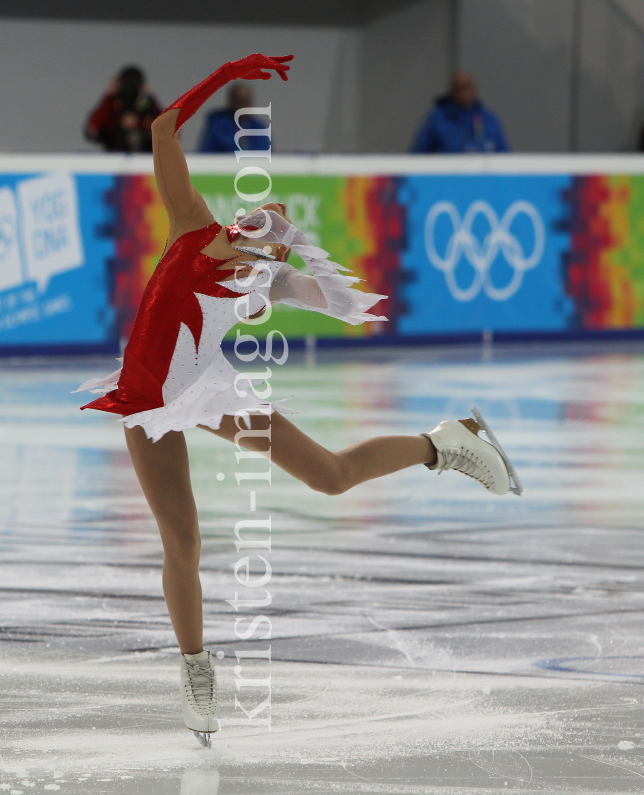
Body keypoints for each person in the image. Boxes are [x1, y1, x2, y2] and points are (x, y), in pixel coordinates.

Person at [74, 54, 522, 748]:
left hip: (205, 389)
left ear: (269, 247)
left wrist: (310, 280)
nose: (258, 220)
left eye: (271, 226)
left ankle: (447, 442)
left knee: (331, 477)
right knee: (181, 542)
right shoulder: (189, 221)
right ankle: (195, 667)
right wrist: (228, 72)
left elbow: (339, 301)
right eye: (257, 214)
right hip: (146, 400)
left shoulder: (265, 282)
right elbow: (164, 129)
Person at [412, 72, 510, 153]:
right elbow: (419, 153)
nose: (465, 92)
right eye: (461, 88)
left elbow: (503, 153)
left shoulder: (488, 119)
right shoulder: (437, 120)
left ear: (474, 89)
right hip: (449, 173)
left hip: (482, 173)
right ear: (453, 91)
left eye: (469, 87)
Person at [84, 65, 162, 152]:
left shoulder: (149, 107)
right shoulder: (113, 107)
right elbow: (93, 130)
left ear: (142, 88)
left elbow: (166, 133)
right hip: (115, 159)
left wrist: (138, 124)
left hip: (144, 160)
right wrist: (109, 95)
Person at [199, 83, 271, 153]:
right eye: (239, 101)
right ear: (231, 100)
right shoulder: (217, 124)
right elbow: (206, 153)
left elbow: (267, 153)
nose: (243, 105)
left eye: (246, 101)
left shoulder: (259, 127)